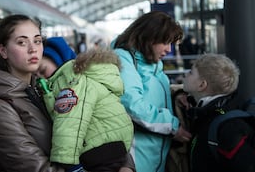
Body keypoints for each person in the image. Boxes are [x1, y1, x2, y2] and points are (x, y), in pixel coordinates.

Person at [0, 15, 67, 172]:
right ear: (3, 51)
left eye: (37, 41)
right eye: (22, 42)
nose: (33, 49)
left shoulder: (42, 90)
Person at [36, 37, 135, 172]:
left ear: (58, 61)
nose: (41, 78)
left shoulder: (71, 81)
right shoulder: (83, 78)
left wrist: (68, 163)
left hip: (100, 149)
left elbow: (70, 122)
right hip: (111, 143)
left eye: (42, 70)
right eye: (36, 76)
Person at [111, 11, 192, 172]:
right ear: (149, 37)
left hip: (153, 157)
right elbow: (131, 104)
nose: (169, 50)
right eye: (166, 42)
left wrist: (176, 96)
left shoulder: (153, 64)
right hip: (135, 159)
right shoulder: (124, 59)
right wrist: (173, 126)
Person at [174, 53, 254, 172]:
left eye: (191, 72)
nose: (186, 74)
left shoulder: (229, 127)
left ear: (202, 85)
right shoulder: (208, 111)